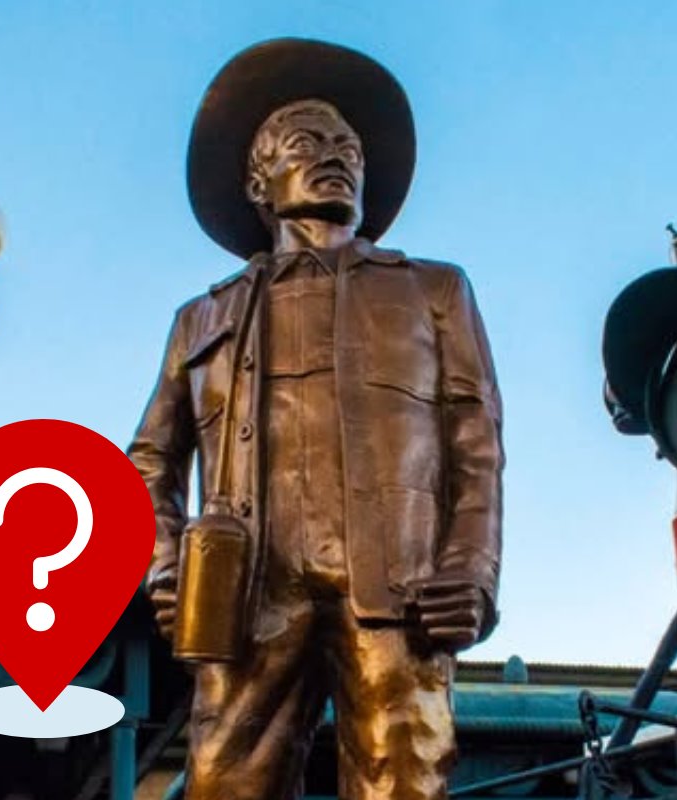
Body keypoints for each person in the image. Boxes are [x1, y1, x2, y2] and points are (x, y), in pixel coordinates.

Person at [128, 38, 503, 800]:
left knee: (405, 774)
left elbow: (477, 446)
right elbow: (146, 464)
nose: (337, 158)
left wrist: (472, 570)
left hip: (396, 582)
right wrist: (163, 567)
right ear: (259, 181)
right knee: (222, 781)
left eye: (349, 147)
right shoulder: (200, 317)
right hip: (244, 586)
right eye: (306, 142)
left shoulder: (434, 290)